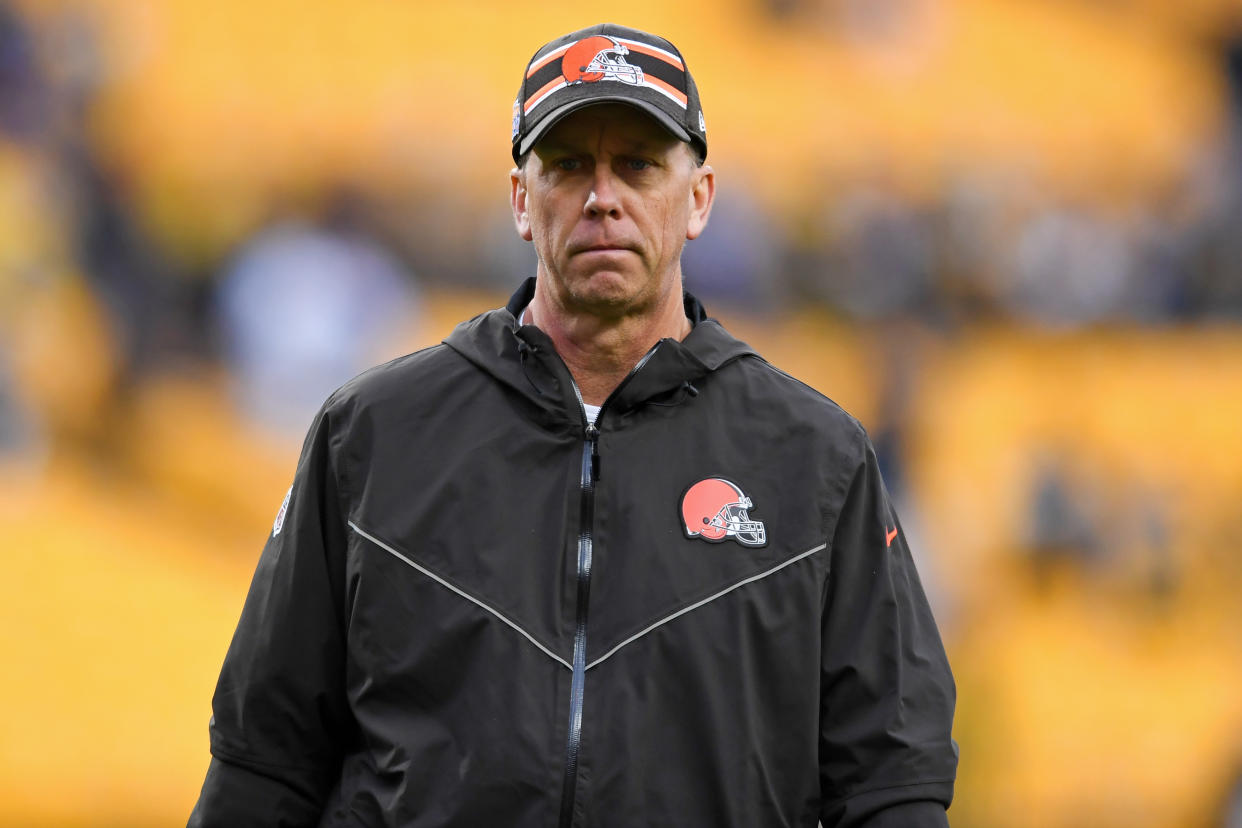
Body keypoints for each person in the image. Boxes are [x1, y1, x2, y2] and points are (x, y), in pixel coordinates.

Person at [189, 23, 957, 828]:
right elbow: (262, 765)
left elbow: (890, 785)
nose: (603, 197)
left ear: (698, 199)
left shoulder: (813, 460)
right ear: (523, 202)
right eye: (567, 166)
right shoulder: (373, 438)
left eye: (638, 164)